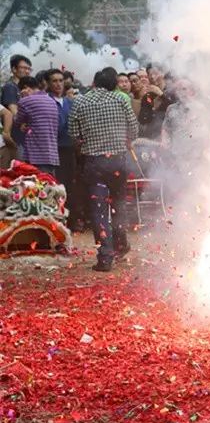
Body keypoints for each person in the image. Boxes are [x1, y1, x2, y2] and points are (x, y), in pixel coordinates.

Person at [69, 65, 138, 271]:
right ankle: (120, 245)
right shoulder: (120, 99)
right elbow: (133, 130)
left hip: (95, 163)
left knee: (98, 211)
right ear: (113, 84)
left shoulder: (80, 101)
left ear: (94, 83)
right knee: (118, 204)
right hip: (118, 161)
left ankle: (105, 257)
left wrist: (87, 142)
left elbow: (73, 133)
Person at [12, 76, 60, 177]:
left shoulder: (25, 101)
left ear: (26, 88)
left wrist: (22, 98)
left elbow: (17, 120)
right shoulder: (51, 101)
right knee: (50, 186)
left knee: (37, 187)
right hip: (52, 154)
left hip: (36, 155)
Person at [46, 69, 78, 221]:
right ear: (48, 83)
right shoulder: (46, 102)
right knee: (54, 185)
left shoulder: (70, 102)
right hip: (52, 149)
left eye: (61, 80)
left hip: (69, 148)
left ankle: (70, 219)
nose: (58, 84)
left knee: (70, 184)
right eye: (54, 81)